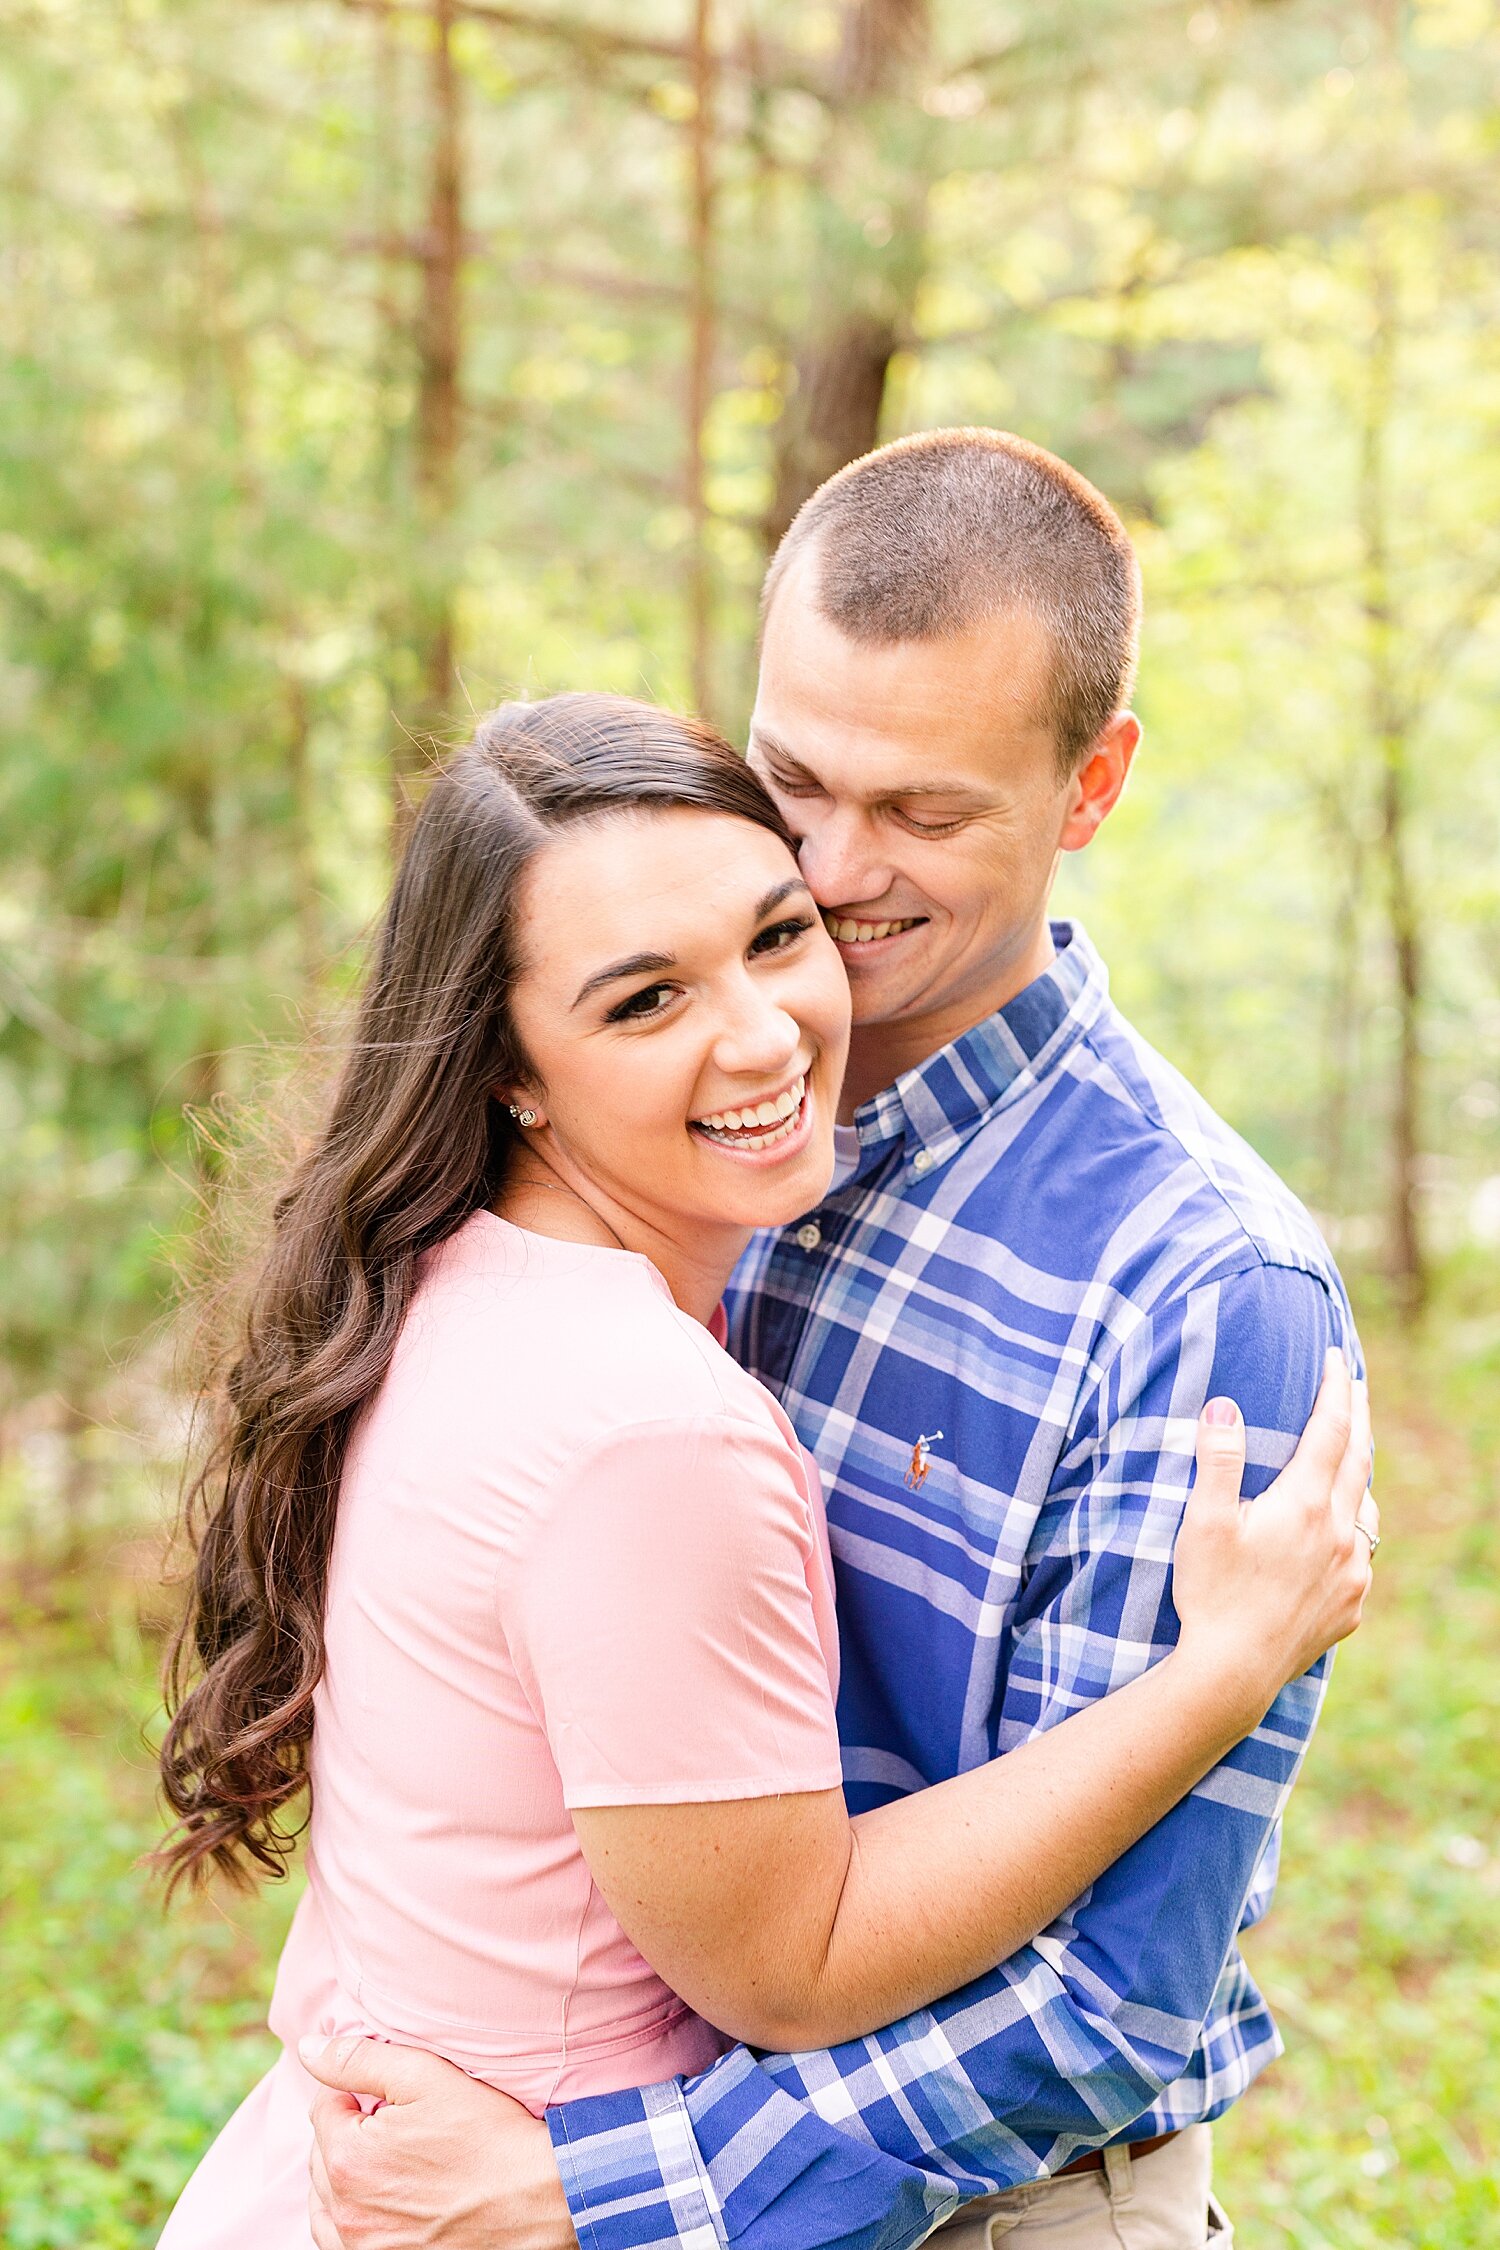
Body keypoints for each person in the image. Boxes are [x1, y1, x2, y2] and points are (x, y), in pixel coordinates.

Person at [300, 433, 1378, 2250]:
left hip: (973, 2210)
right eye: (794, 778)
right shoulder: (653, 1148)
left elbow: (1113, 1993)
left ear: (1092, 782)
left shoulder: (1198, 1289)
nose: (835, 865)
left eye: (928, 812)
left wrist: (601, 2191)